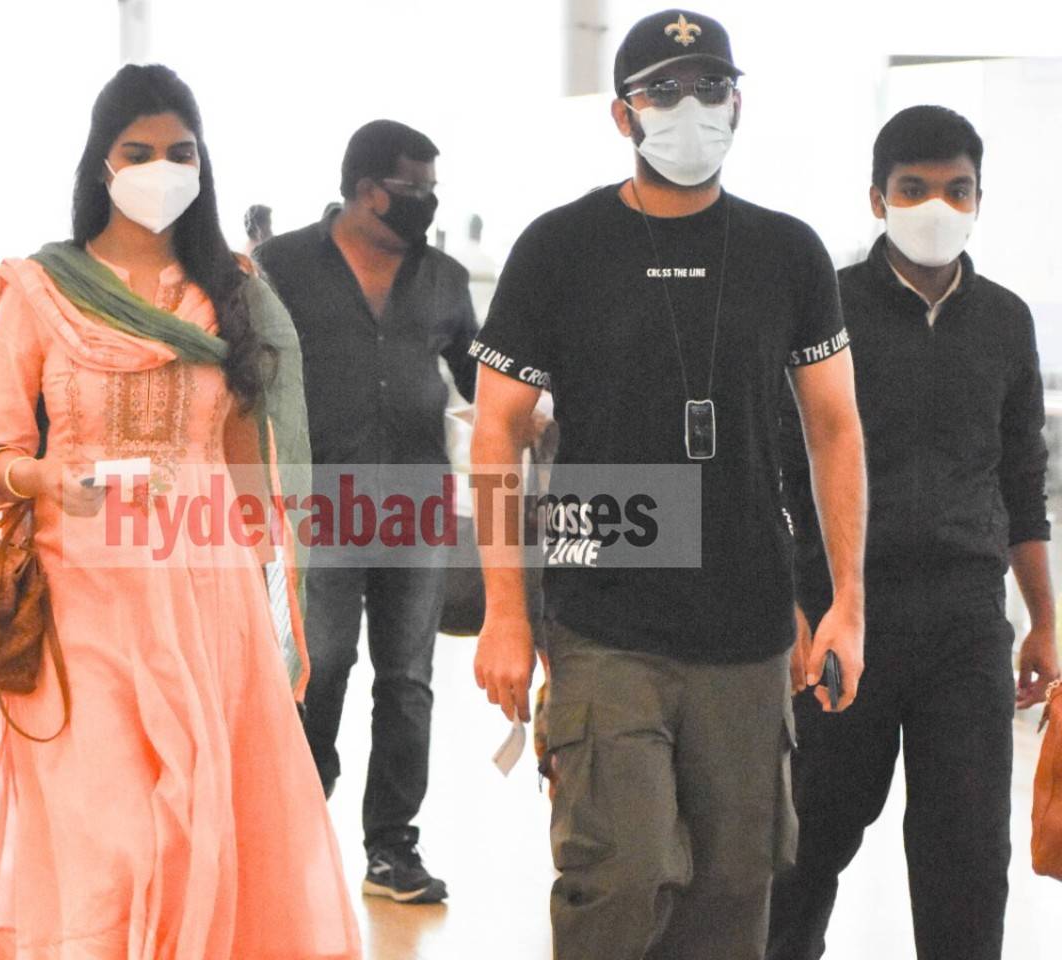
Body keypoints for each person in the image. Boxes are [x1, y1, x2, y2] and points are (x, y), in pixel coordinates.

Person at [0, 64, 360, 960]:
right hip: (80, 598)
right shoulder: (40, 290)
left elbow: (253, 475)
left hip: (208, 603)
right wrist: (50, 481)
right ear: (101, 164)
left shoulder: (231, 291)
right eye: (138, 153)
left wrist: (280, 614)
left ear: (203, 166)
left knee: (198, 821)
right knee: (115, 839)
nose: (159, 169)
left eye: (179, 153)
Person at [468, 10, 867, 958]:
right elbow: (496, 431)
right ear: (622, 115)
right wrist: (506, 613)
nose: (691, 112)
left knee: (736, 891)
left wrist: (846, 598)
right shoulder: (559, 248)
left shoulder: (788, 253)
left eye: (710, 89)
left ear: (739, 101)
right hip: (604, 620)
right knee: (623, 871)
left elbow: (835, 426)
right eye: (663, 93)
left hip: (748, 624)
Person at [766, 105, 1060, 960]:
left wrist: (1042, 617)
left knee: (968, 853)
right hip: (844, 618)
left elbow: (1022, 482)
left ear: (979, 198)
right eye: (914, 188)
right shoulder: (827, 310)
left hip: (968, 623)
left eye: (956, 189)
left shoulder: (1006, 321)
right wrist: (792, 607)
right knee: (809, 835)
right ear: (877, 197)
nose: (937, 204)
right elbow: (783, 472)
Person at [254, 119, 478, 904]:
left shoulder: (446, 279)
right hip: (318, 506)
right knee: (318, 667)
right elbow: (244, 378)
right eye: (414, 184)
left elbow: (482, 380)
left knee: (408, 680)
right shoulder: (280, 266)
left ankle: (392, 849)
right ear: (365, 189)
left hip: (418, 506)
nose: (428, 198)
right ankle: (296, 820)